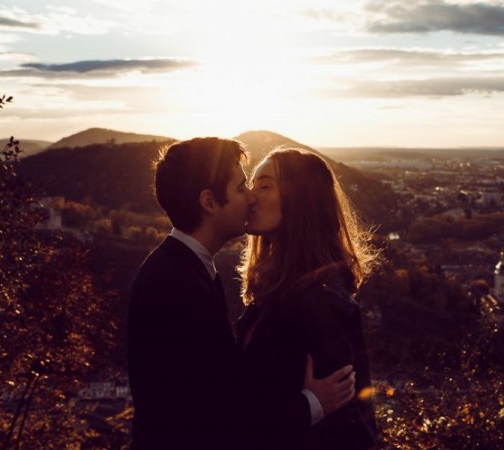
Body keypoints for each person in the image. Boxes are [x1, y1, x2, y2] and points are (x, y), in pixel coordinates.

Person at [127, 137, 356, 450]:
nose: (249, 197)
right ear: (209, 202)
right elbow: (210, 417)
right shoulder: (177, 285)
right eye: (241, 187)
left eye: (260, 186)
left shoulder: (184, 270)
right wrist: (311, 404)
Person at [238, 148, 379, 450]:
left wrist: (309, 406)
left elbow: (348, 422)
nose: (250, 196)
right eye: (251, 185)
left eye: (265, 186)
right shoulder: (278, 287)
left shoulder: (318, 298)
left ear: (300, 201)